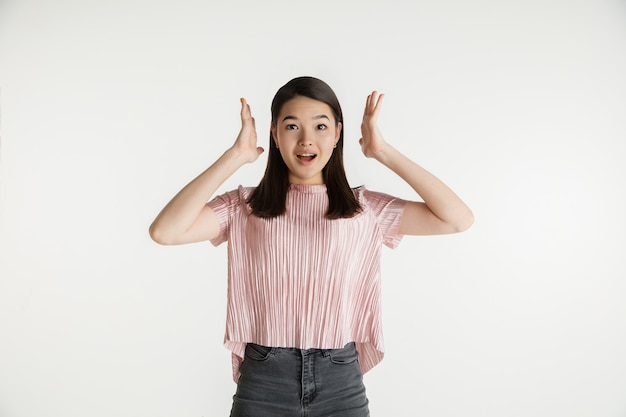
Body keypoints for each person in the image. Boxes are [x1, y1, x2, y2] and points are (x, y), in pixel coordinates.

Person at [149, 76, 473, 416]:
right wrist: (236, 156)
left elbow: (457, 219)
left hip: (340, 380)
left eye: (320, 126)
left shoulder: (366, 209)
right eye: (292, 126)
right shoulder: (244, 206)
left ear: (337, 133)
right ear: (275, 134)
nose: (306, 140)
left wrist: (383, 152)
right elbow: (166, 231)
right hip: (264, 380)